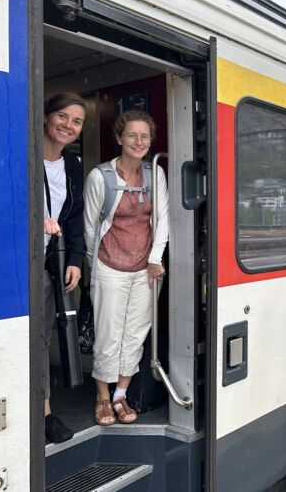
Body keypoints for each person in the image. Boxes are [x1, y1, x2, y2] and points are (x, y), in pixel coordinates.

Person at [84, 109, 169, 426]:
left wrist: (154, 258)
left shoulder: (154, 174)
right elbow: (91, 228)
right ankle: (103, 398)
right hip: (109, 267)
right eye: (131, 135)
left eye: (144, 136)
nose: (138, 141)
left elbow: (162, 221)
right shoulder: (100, 177)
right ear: (119, 137)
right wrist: (98, 265)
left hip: (144, 270)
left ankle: (121, 395)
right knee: (108, 335)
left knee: (135, 334)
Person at [42, 92, 86, 443]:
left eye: (76, 121)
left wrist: (75, 260)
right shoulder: (23, 153)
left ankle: (43, 415)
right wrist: (35, 220)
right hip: (13, 261)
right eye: (61, 116)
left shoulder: (71, 165)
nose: (67, 125)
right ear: (45, 117)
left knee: (40, 340)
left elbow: (73, 217)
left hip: (48, 262)